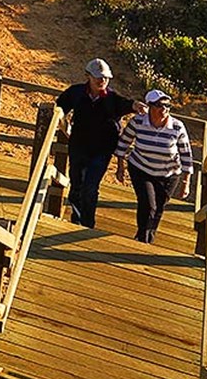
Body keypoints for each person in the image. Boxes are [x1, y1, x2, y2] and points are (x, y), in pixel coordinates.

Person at [55, 58, 139, 228]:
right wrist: (61, 121)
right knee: (76, 184)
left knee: (90, 187)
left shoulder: (112, 98)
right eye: (98, 77)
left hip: (102, 150)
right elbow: (59, 107)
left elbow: (127, 104)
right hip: (79, 145)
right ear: (88, 76)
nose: (102, 81)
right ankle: (76, 220)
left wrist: (136, 105)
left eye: (106, 78)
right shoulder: (76, 93)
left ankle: (87, 225)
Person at [115, 90, 192, 244]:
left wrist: (185, 182)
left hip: (169, 174)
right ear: (149, 106)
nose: (164, 109)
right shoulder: (138, 122)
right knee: (148, 204)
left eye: (167, 105)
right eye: (159, 105)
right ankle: (144, 240)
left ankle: (146, 237)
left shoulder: (177, 127)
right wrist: (120, 167)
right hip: (141, 169)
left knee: (159, 208)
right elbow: (123, 144)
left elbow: (186, 155)